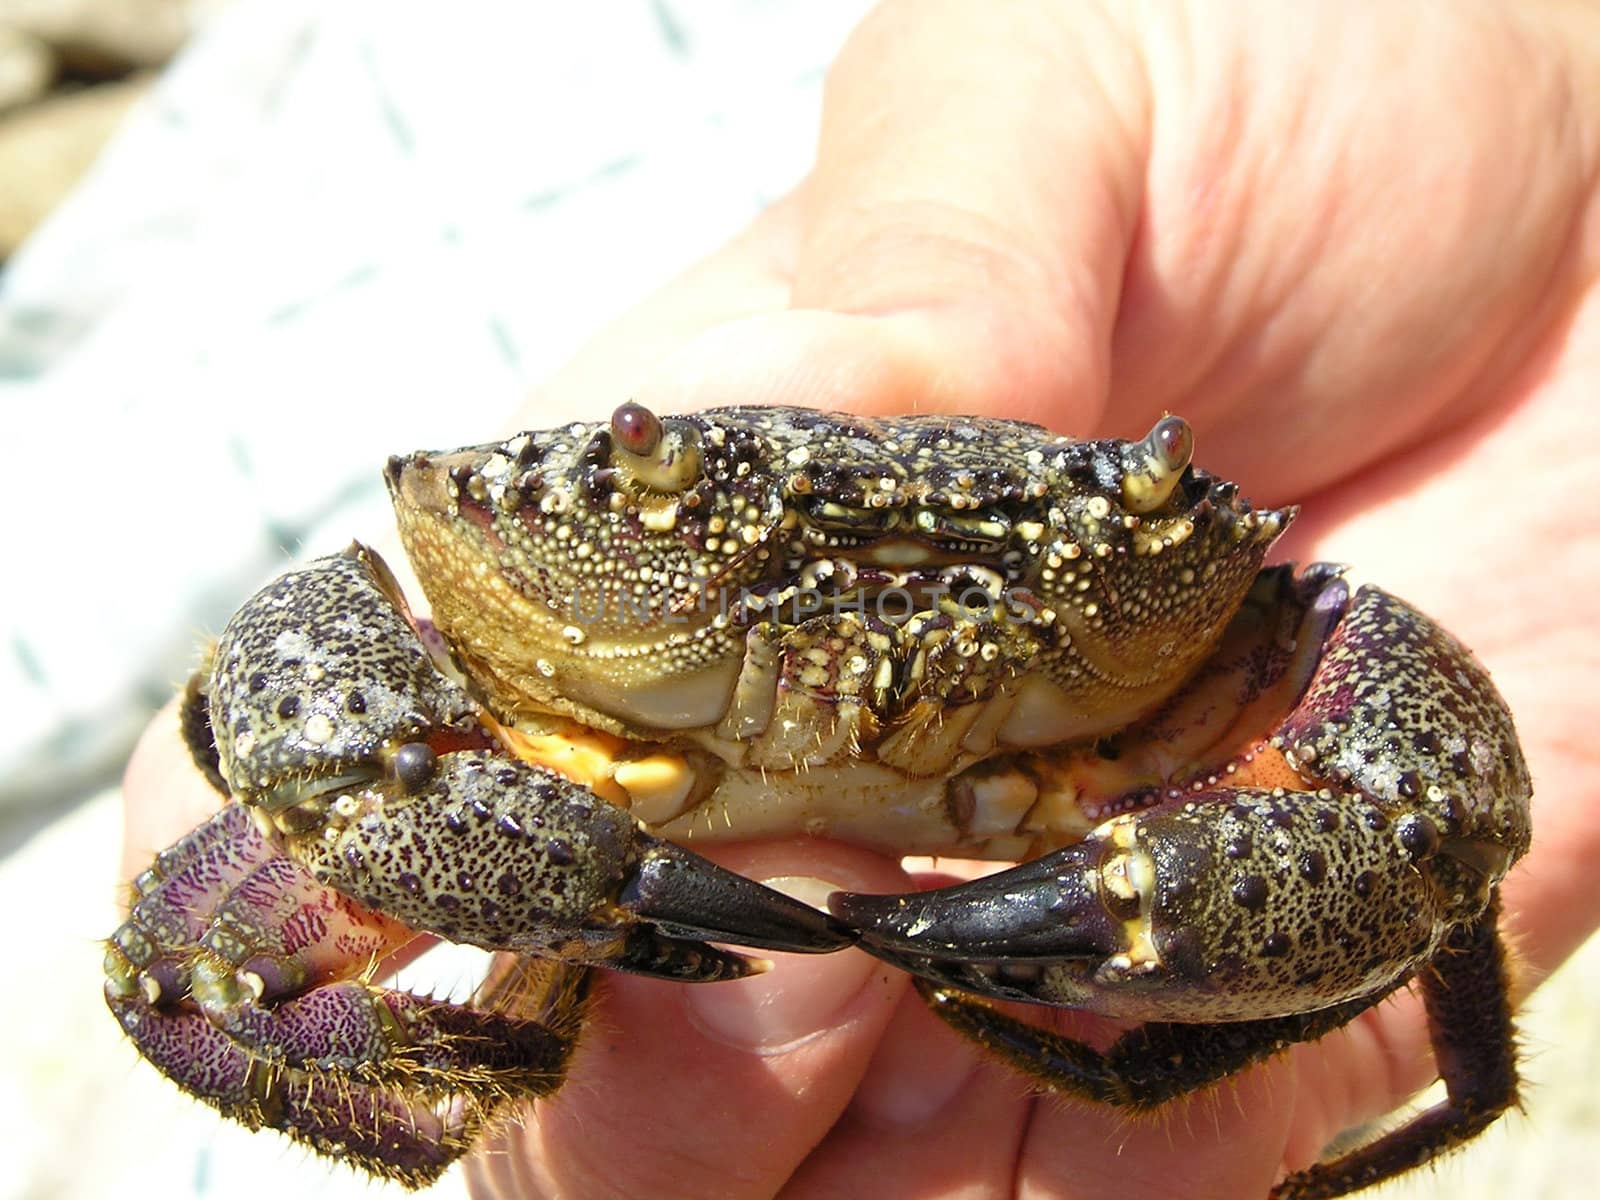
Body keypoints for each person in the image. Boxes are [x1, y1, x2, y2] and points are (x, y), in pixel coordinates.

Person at [120, 1, 1600, 1195]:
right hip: (555, 754)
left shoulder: (1242, 680)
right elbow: (207, 951)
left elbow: (1426, 829)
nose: (872, 630)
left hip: (1107, 763)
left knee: (1420, 839)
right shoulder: (456, 700)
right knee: (199, 967)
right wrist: (471, 1083)